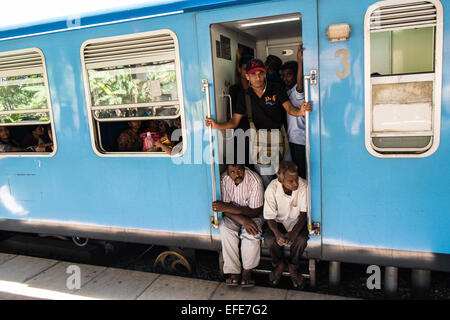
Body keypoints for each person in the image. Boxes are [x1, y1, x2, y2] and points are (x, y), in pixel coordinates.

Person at [205, 58, 312, 187]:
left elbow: (289, 108)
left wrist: (300, 112)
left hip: (281, 140)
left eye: (260, 73)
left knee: (288, 178)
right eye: (253, 74)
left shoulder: (276, 88)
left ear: (265, 73)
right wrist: (216, 126)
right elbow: (234, 122)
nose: (257, 77)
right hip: (260, 143)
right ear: (247, 76)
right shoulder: (245, 96)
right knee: (265, 183)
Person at [212, 163, 264, 287]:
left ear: (244, 168)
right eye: (232, 172)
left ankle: (247, 271)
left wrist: (229, 208)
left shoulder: (255, 180)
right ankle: (233, 271)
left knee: (252, 232)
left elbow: (255, 211)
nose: (236, 174)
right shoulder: (224, 179)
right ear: (228, 171)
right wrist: (241, 220)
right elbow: (222, 209)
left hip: (253, 215)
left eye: (239, 170)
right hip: (232, 215)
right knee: (225, 228)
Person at [263, 161, 309, 289]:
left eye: (296, 179)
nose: (295, 184)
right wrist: (278, 234)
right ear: (280, 179)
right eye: (291, 181)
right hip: (278, 222)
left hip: (297, 221)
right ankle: (279, 264)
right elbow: (269, 217)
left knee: (301, 239)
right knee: (269, 239)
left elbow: (304, 214)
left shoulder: (303, 185)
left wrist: (294, 233)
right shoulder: (272, 188)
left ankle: (293, 266)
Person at [281, 44, 307, 179]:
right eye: (283, 75)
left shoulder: (297, 91)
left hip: (299, 140)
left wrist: (300, 62)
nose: (285, 78)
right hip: (293, 139)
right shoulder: (287, 92)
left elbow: (300, 85)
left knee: (300, 173)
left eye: (289, 75)